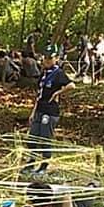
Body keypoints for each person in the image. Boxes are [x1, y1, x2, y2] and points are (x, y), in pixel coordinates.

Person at [22, 47, 74, 175]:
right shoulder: (44, 73)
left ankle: (44, 165)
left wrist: (58, 92)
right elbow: (39, 94)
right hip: (40, 108)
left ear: (56, 59)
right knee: (32, 136)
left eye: (50, 58)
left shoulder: (58, 73)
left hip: (50, 111)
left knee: (45, 138)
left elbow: (71, 85)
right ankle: (31, 162)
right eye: (45, 58)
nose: (47, 60)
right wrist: (33, 111)